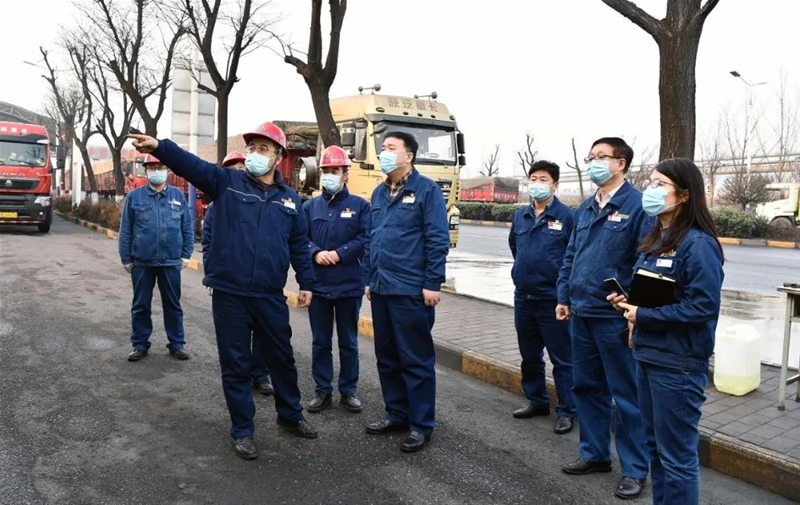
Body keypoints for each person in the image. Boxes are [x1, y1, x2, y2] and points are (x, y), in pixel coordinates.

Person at [128, 123, 317, 461]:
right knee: (236, 364)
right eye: (252, 148)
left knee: (282, 358)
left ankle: (290, 414)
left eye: (263, 149)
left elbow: (299, 245)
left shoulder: (289, 200)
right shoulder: (227, 183)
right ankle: (243, 429)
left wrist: (306, 282)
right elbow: (191, 165)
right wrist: (159, 147)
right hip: (231, 293)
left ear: (279, 157)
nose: (255, 154)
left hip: (270, 295)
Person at [608, 158, 724, 505]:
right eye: (651, 182)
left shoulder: (698, 245)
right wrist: (629, 304)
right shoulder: (657, 238)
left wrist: (643, 315)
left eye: (660, 185)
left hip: (678, 364)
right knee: (656, 448)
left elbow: (702, 306)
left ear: (685, 195)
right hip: (648, 354)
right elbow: (659, 293)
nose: (651, 190)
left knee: (677, 457)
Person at [555, 137, 652, 499]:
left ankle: (635, 469)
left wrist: (634, 306)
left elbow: (646, 261)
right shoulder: (585, 207)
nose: (593, 162)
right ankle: (594, 454)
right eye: (591, 157)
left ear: (621, 163)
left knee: (626, 395)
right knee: (586, 387)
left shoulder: (638, 206)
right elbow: (571, 255)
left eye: (601, 157)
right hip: (581, 311)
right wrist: (564, 296)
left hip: (614, 317)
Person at [362, 131, 450, 453]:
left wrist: (432, 283)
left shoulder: (426, 190)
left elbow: (437, 239)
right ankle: (397, 414)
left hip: (411, 290)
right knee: (387, 357)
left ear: (408, 156)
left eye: (391, 148)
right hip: (382, 288)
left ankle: (421, 425)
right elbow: (372, 238)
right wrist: (369, 278)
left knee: (415, 360)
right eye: (383, 148)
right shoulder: (379, 192)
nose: (383, 153)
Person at [508, 160, 577, 434]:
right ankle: (537, 400)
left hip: (553, 300)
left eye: (543, 179)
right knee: (530, 356)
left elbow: (573, 256)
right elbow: (516, 248)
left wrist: (565, 296)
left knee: (563, 359)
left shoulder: (567, 217)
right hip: (524, 298)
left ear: (555, 185)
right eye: (533, 179)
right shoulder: (521, 216)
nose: (537, 184)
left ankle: (567, 410)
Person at [303, 145, 370, 414]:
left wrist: (340, 253)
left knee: (348, 342)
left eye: (335, 170)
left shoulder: (360, 206)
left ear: (345, 174)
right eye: (326, 170)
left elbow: (365, 238)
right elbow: (299, 238)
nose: (330, 175)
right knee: (320, 342)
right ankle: (322, 390)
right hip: (318, 286)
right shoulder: (309, 207)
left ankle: (348, 391)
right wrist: (315, 252)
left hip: (348, 285)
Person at [201, 151, 274, 397]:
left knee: (262, 333)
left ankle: (260, 374)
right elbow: (208, 242)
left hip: (261, 284)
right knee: (235, 339)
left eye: (242, 167)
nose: (238, 172)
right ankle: (240, 378)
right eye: (232, 169)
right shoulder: (217, 205)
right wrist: (213, 272)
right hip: (229, 284)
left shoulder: (263, 201)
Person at [118, 154, 193, 362]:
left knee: (173, 304)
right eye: (152, 168)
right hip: (142, 261)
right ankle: (140, 344)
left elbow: (187, 227)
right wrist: (125, 257)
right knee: (141, 305)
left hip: (170, 261)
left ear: (167, 170)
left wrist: (187, 254)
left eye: (160, 167)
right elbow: (126, 230)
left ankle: (176, 344)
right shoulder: (135, 197)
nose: (156, 171)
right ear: (146, 171)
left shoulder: (177, 196)